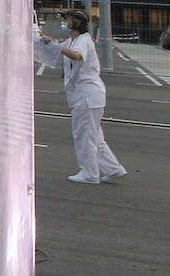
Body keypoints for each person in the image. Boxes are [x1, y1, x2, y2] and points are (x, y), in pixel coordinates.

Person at [38, 9, 126, 184]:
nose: (65, 22)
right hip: (86, 95)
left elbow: (77, 56)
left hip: (87, 95)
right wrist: (48, 41)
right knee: (95, 137)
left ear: (76, 23)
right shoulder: (74, 40)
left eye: (68, 19)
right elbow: (62, 46)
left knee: (84, 136)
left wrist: (57, 46)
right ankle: (113, 169)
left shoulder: (83, 41)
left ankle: (90, 174)